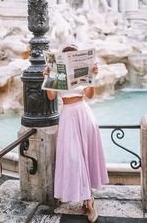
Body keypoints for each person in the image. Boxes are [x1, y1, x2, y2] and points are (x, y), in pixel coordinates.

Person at [43, 44, 109, 223]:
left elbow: (90, 95)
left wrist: (92, 76)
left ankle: (88, 200)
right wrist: (48, 77)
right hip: (67, 114)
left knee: (85, 157)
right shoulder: (57, 72)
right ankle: (88, 199)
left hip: (83, 113)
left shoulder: (83, 69)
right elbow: (50, 96)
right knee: (74, 157)